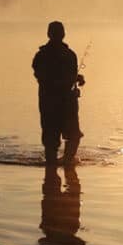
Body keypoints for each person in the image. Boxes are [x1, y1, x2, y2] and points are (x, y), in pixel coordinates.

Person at [32, 21, 85, 165]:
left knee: (51, 140)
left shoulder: (40, 56)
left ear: (48, 34)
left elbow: (40, 76)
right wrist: (75, 80)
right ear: (63, 34)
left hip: (48, 104)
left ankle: (53, 168)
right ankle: (67, 162)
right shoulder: (69, 55)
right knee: (73, 136)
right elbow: (66, 77)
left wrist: (75, 78)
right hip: (66, 103)